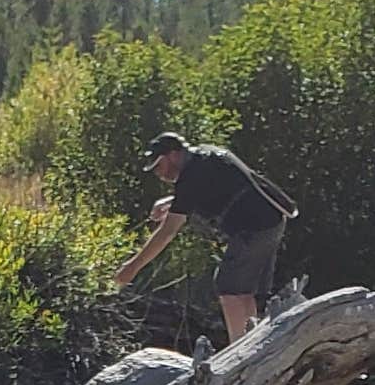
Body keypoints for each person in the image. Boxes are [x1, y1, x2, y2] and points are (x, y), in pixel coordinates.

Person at [111, 133, 297, 341]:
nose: (159, 174)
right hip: (271, 219)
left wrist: (132, 268)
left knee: (229, 288)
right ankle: (253, 341)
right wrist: (172, 201)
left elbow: (168, 231)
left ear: (173, 155)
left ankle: (242, 347)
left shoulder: (191, 175)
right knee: (242, 291)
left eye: (159, 166)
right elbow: (218, 186)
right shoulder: (205, 155)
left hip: (254, 228)